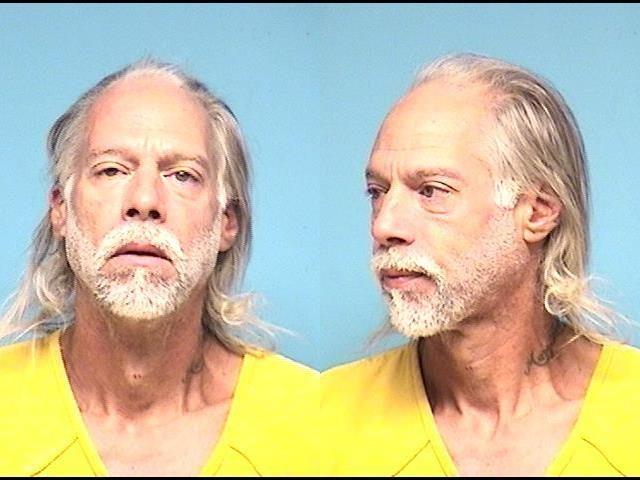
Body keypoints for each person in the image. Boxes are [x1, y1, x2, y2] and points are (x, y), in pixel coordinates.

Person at [319, 53, 640, 476]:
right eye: (377, 192)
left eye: (431, 191)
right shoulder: (325, 416)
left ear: (537, 212)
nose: (384, 226)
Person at [0, 58, 318, 476]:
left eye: (182, 175)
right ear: (61, 210)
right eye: (111, 170)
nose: (145, 201)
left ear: (227, 221)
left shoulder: (311, 420)